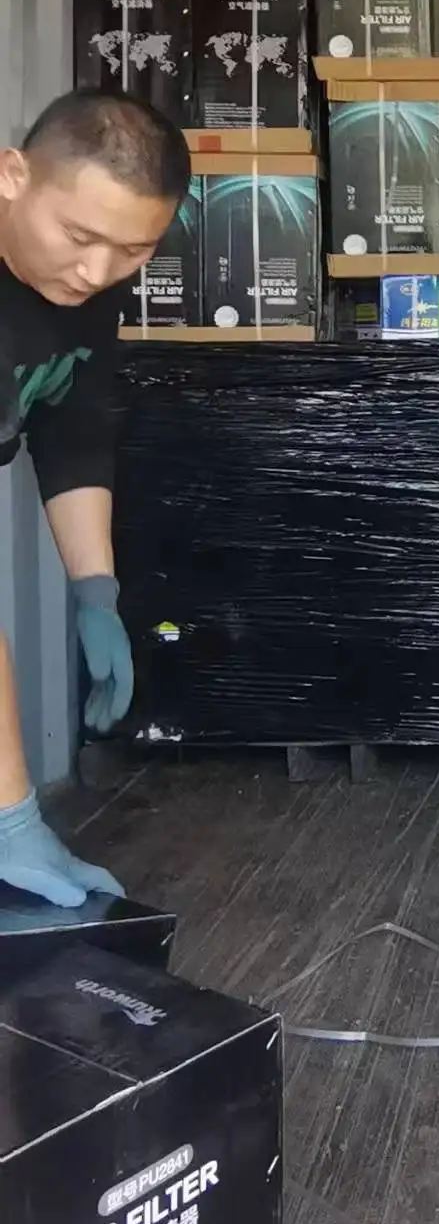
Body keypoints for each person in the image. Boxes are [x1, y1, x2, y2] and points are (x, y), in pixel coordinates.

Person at [0, 88, 191, 906]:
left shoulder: (84, 284)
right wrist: (13, 816)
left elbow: (72, 423)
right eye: (78, 238)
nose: (98, 272)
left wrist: (95, 592)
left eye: (132, 251)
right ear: (12, 176)